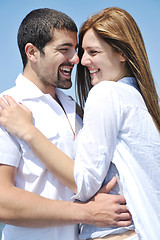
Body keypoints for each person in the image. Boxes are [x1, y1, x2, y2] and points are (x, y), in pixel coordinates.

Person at [0, 7, 132, 240]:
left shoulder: (77, 109)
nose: (76, 59)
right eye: (64, 50)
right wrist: (86, 213)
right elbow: (2, 202)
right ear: (32, 52)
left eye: (76, 49)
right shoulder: (8, 108)